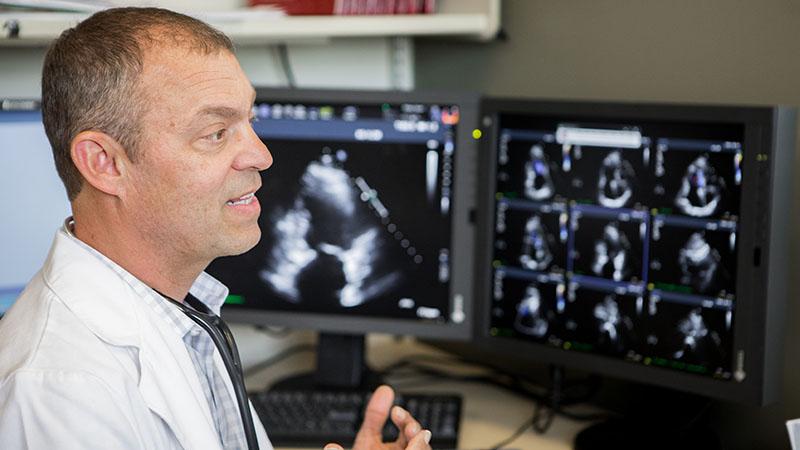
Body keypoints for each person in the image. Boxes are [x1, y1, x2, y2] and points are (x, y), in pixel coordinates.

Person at [0, 7, 432, 450]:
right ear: (105, 164)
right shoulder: (59, 393)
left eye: (250, 120)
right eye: (216, 133)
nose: (262, 156)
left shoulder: (182, 311)